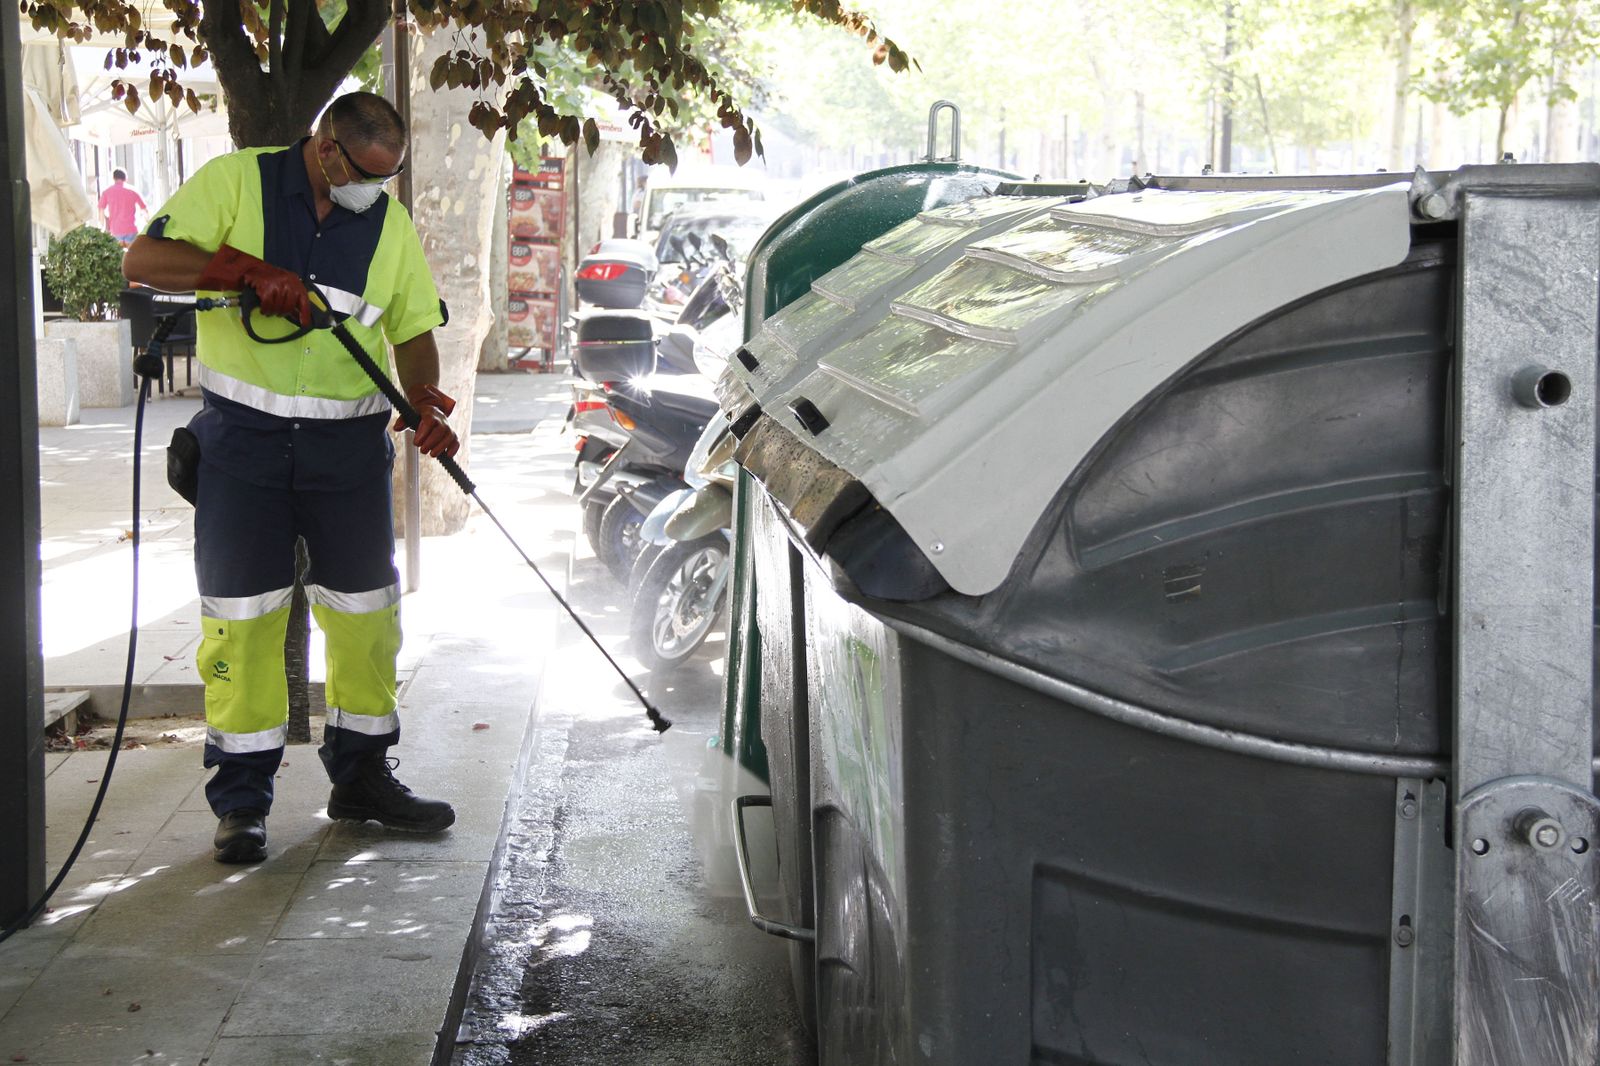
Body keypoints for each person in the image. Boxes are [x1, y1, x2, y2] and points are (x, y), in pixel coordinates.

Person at [122, 92, 460, 864]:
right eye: (365, 175)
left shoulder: (388, 226)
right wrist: (244, 271)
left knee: (367, 616)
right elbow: (143, 261)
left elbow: (412, 326)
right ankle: (242, 802)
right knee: (243, 620)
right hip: (243, 450)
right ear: (327, 148)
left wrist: (423, 399)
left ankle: (362, 779)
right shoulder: (237, 182)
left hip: (348, 457)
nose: (375, 191)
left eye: (388, 177)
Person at [98, 168, 148, 245]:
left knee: (118, 252)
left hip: (115, 230)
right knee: (131, 252)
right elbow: (144, 209)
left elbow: (101, 209)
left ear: (113, 178)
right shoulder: (133, 191)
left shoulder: (107, 192)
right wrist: (148, 222)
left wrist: (102, 226)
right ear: (125, 178)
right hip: (131, 228)